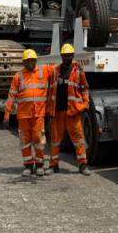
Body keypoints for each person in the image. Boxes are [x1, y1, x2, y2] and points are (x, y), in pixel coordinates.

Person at [2, 48, 54, 177]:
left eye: (32, 60)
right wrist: (7, 115)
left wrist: (75, 62)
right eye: (27, 60)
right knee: (25, 141)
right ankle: (28, 166)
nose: (30, 62)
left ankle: (40, 165)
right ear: (23, 62)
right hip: (23, 115)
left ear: (36, 60)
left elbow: (59, 68)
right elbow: (11, 96)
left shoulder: (44, 70)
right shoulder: (18, 76)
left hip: (38, 114)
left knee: (38, 140)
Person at [46, 44, 90, 176]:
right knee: (55, 140)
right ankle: (53, 166)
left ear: (73, 56)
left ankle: (83, 165)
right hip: (57, 112)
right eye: (65, 56)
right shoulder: (55, 71)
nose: (67, 58)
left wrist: (85, 104)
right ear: (61, 56)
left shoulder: (78, 71)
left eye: (69, 55)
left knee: (79, 139)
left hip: (72, 112)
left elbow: (84, 88)